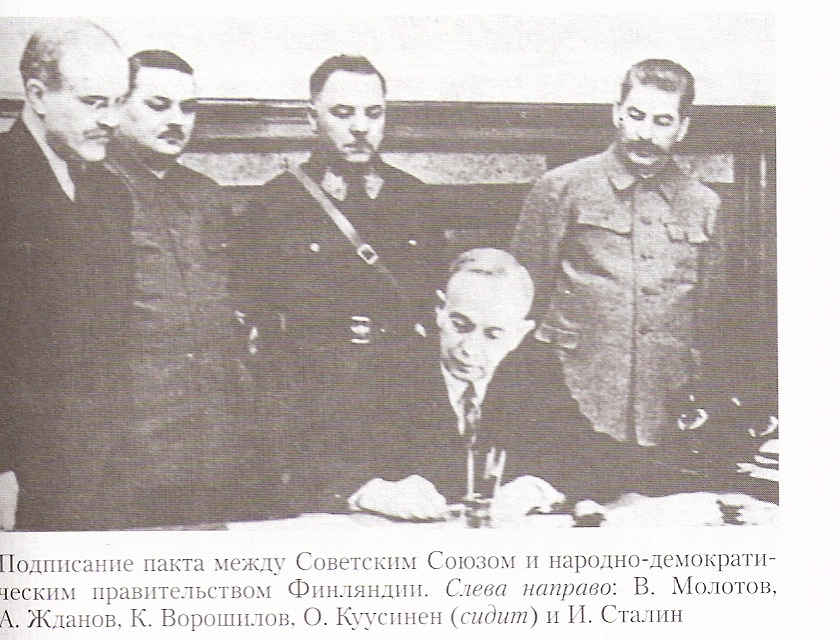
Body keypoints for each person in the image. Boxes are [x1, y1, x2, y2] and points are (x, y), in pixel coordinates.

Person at [230, 55, 443, 480]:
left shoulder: (415, 200)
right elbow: (253, 320)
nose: (360, 127)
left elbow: (435, 309)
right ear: (313, 118)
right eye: (343, 113)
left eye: (373, 113)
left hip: (402, 398)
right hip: (313, 405)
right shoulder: (275, 204)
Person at [105, 50, 282, 525]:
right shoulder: (92, 191)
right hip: (129, 441)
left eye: (187, 108)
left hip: (217, 439)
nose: (176, 121)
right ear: (119, 105)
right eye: (158, 105)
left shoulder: (206, 196)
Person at [511, 59, 720, 448]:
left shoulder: (704, 204)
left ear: (682, 128)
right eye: (636, 116)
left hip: (666, 403)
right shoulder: (560, 188)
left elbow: (711, 319)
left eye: (662, 122)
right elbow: (520, 300)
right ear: (617, 113)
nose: (645, 134)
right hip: (573, 395)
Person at [337, 249, 600, 522]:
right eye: (460, 325)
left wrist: (538, 488)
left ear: (519, 335)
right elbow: (315, 456)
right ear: (440, 311)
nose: (470, 349)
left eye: (493, 335)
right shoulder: (387, 368)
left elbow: (597, 457)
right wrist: (371, 491)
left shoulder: (533, 370)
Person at [0, 21, 133, 530]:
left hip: (97, 460)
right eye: (94, 102)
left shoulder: (109, 193)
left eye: (119, 102)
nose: (111, 120)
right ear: (37, 95)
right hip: (17, 464)